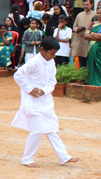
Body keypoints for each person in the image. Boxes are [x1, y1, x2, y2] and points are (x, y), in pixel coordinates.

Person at [11, 36, 79, 168]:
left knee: (51, 128)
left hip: (45, 100)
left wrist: (43, 91)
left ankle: (64, 157)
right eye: (52, 53)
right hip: (32, 101)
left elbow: (52, 81)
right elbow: (18, 75)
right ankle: (27, 159)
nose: (54, 56)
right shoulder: (34, 62)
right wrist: (30, 89)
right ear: (42, 50)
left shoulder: (51, 62)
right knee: (36, 130)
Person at [71, 0, 95, 68]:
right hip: (81, 41)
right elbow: (74, 27)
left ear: (91, 5)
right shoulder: (79, 15)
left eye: (87, 4)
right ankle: (82, 74)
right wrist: (78, 29)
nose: (85, 6)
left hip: (90, 40)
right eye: (84, 5)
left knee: (90, 61)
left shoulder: (95, 15)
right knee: (81, 62)